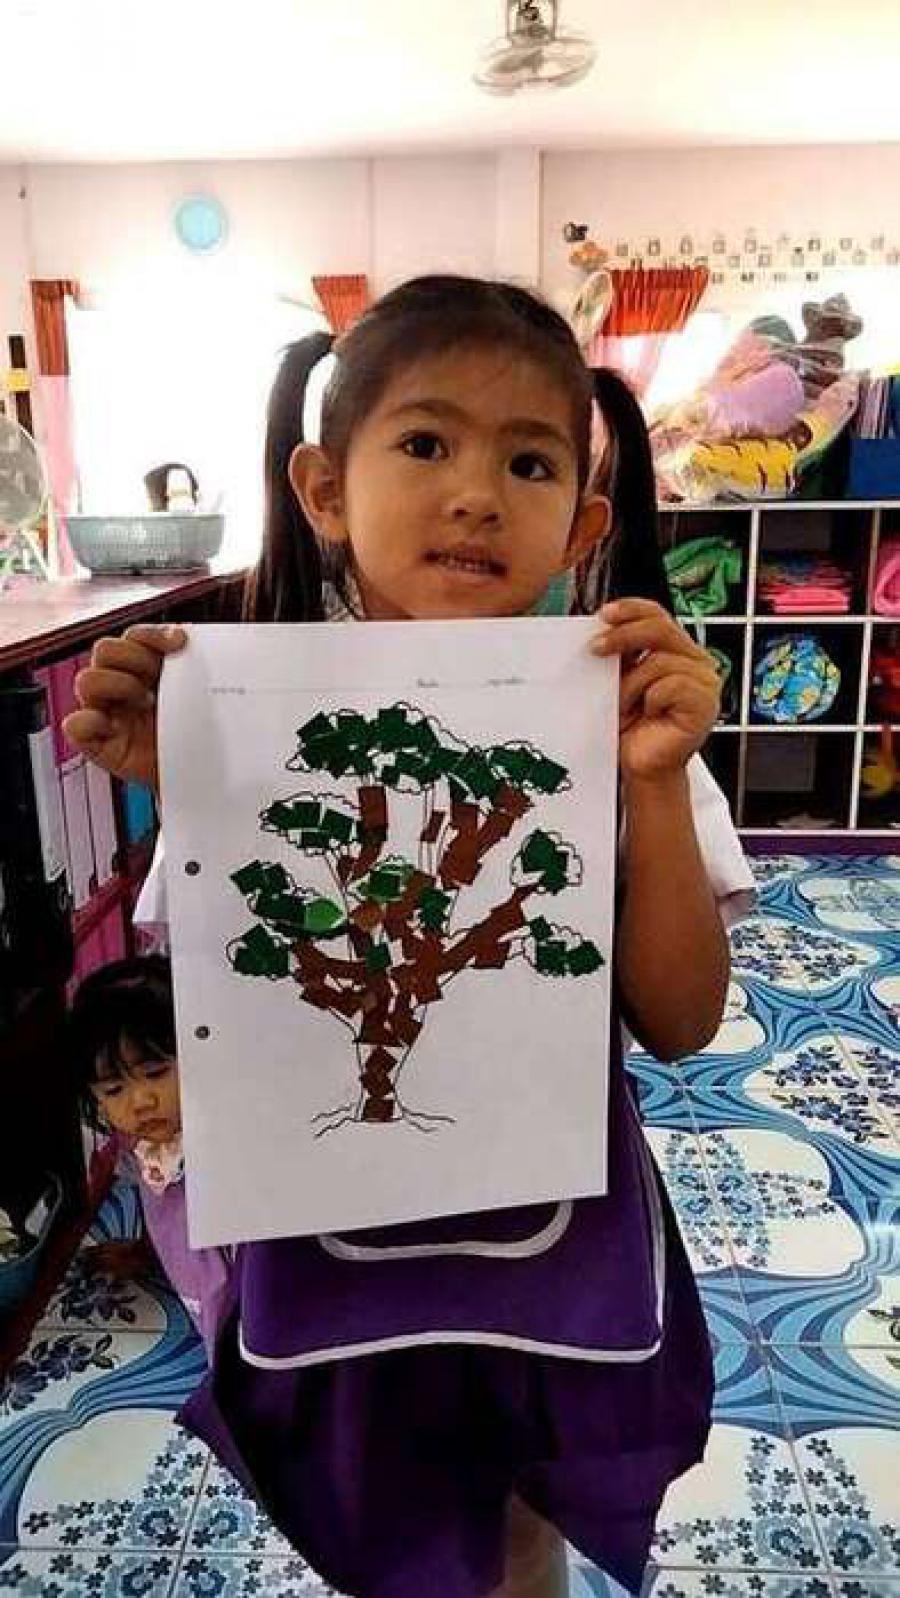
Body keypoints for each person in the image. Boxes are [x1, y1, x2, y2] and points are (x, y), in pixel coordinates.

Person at [63, 275, 756, 1598]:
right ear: (326, 490)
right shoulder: (241, 719)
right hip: (331, 1250)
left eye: (530, 461)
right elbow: (223, 1008)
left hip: (549, 1238)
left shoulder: (626, 719)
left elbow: (681, 1020)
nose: (477, 495)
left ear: (584, 522)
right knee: (378, 1515)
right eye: (427, 442)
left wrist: (658, 783)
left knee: (524, 1525)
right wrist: (183, 784)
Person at [68, 954, 232, 1359]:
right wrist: (145, 1250)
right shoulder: (134, 1140)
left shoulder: (224, 1137)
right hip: (189, 1276)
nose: (141, 1101)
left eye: (156, 1073)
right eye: (113, 1089)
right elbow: (154, 1198)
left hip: (239, 1289)